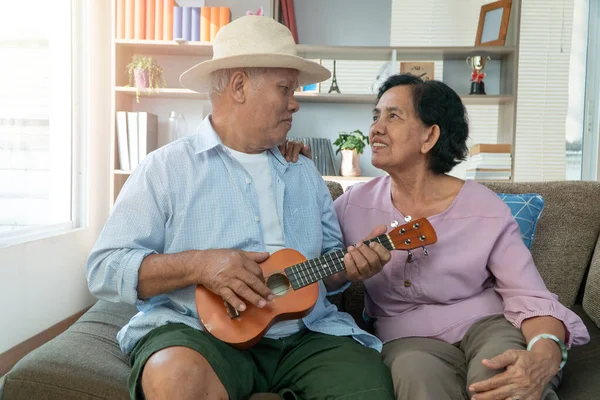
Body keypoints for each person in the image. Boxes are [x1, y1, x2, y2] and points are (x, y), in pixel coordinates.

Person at [86, 16, 395, 400]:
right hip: (198, 333)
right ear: (239, 86)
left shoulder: (303, 171)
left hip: (307, 337)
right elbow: (104, 268)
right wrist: (200, 265)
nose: (295, 103)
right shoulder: (164, 169)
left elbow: (330, 266)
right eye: (285, 88)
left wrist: (347, 269)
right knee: (174, 379)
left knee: (370, 388)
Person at [332, 74, 591, 400]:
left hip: (487, 325)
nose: (375, 129)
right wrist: (346, 271)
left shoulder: (483, 206)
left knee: (502, 377)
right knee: (417, 377)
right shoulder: (350, 205)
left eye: (393, 116)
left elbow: (530, 296)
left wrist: (545, 353)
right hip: (406, 340)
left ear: (430, 136)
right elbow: (315, 271)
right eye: (376, 116)